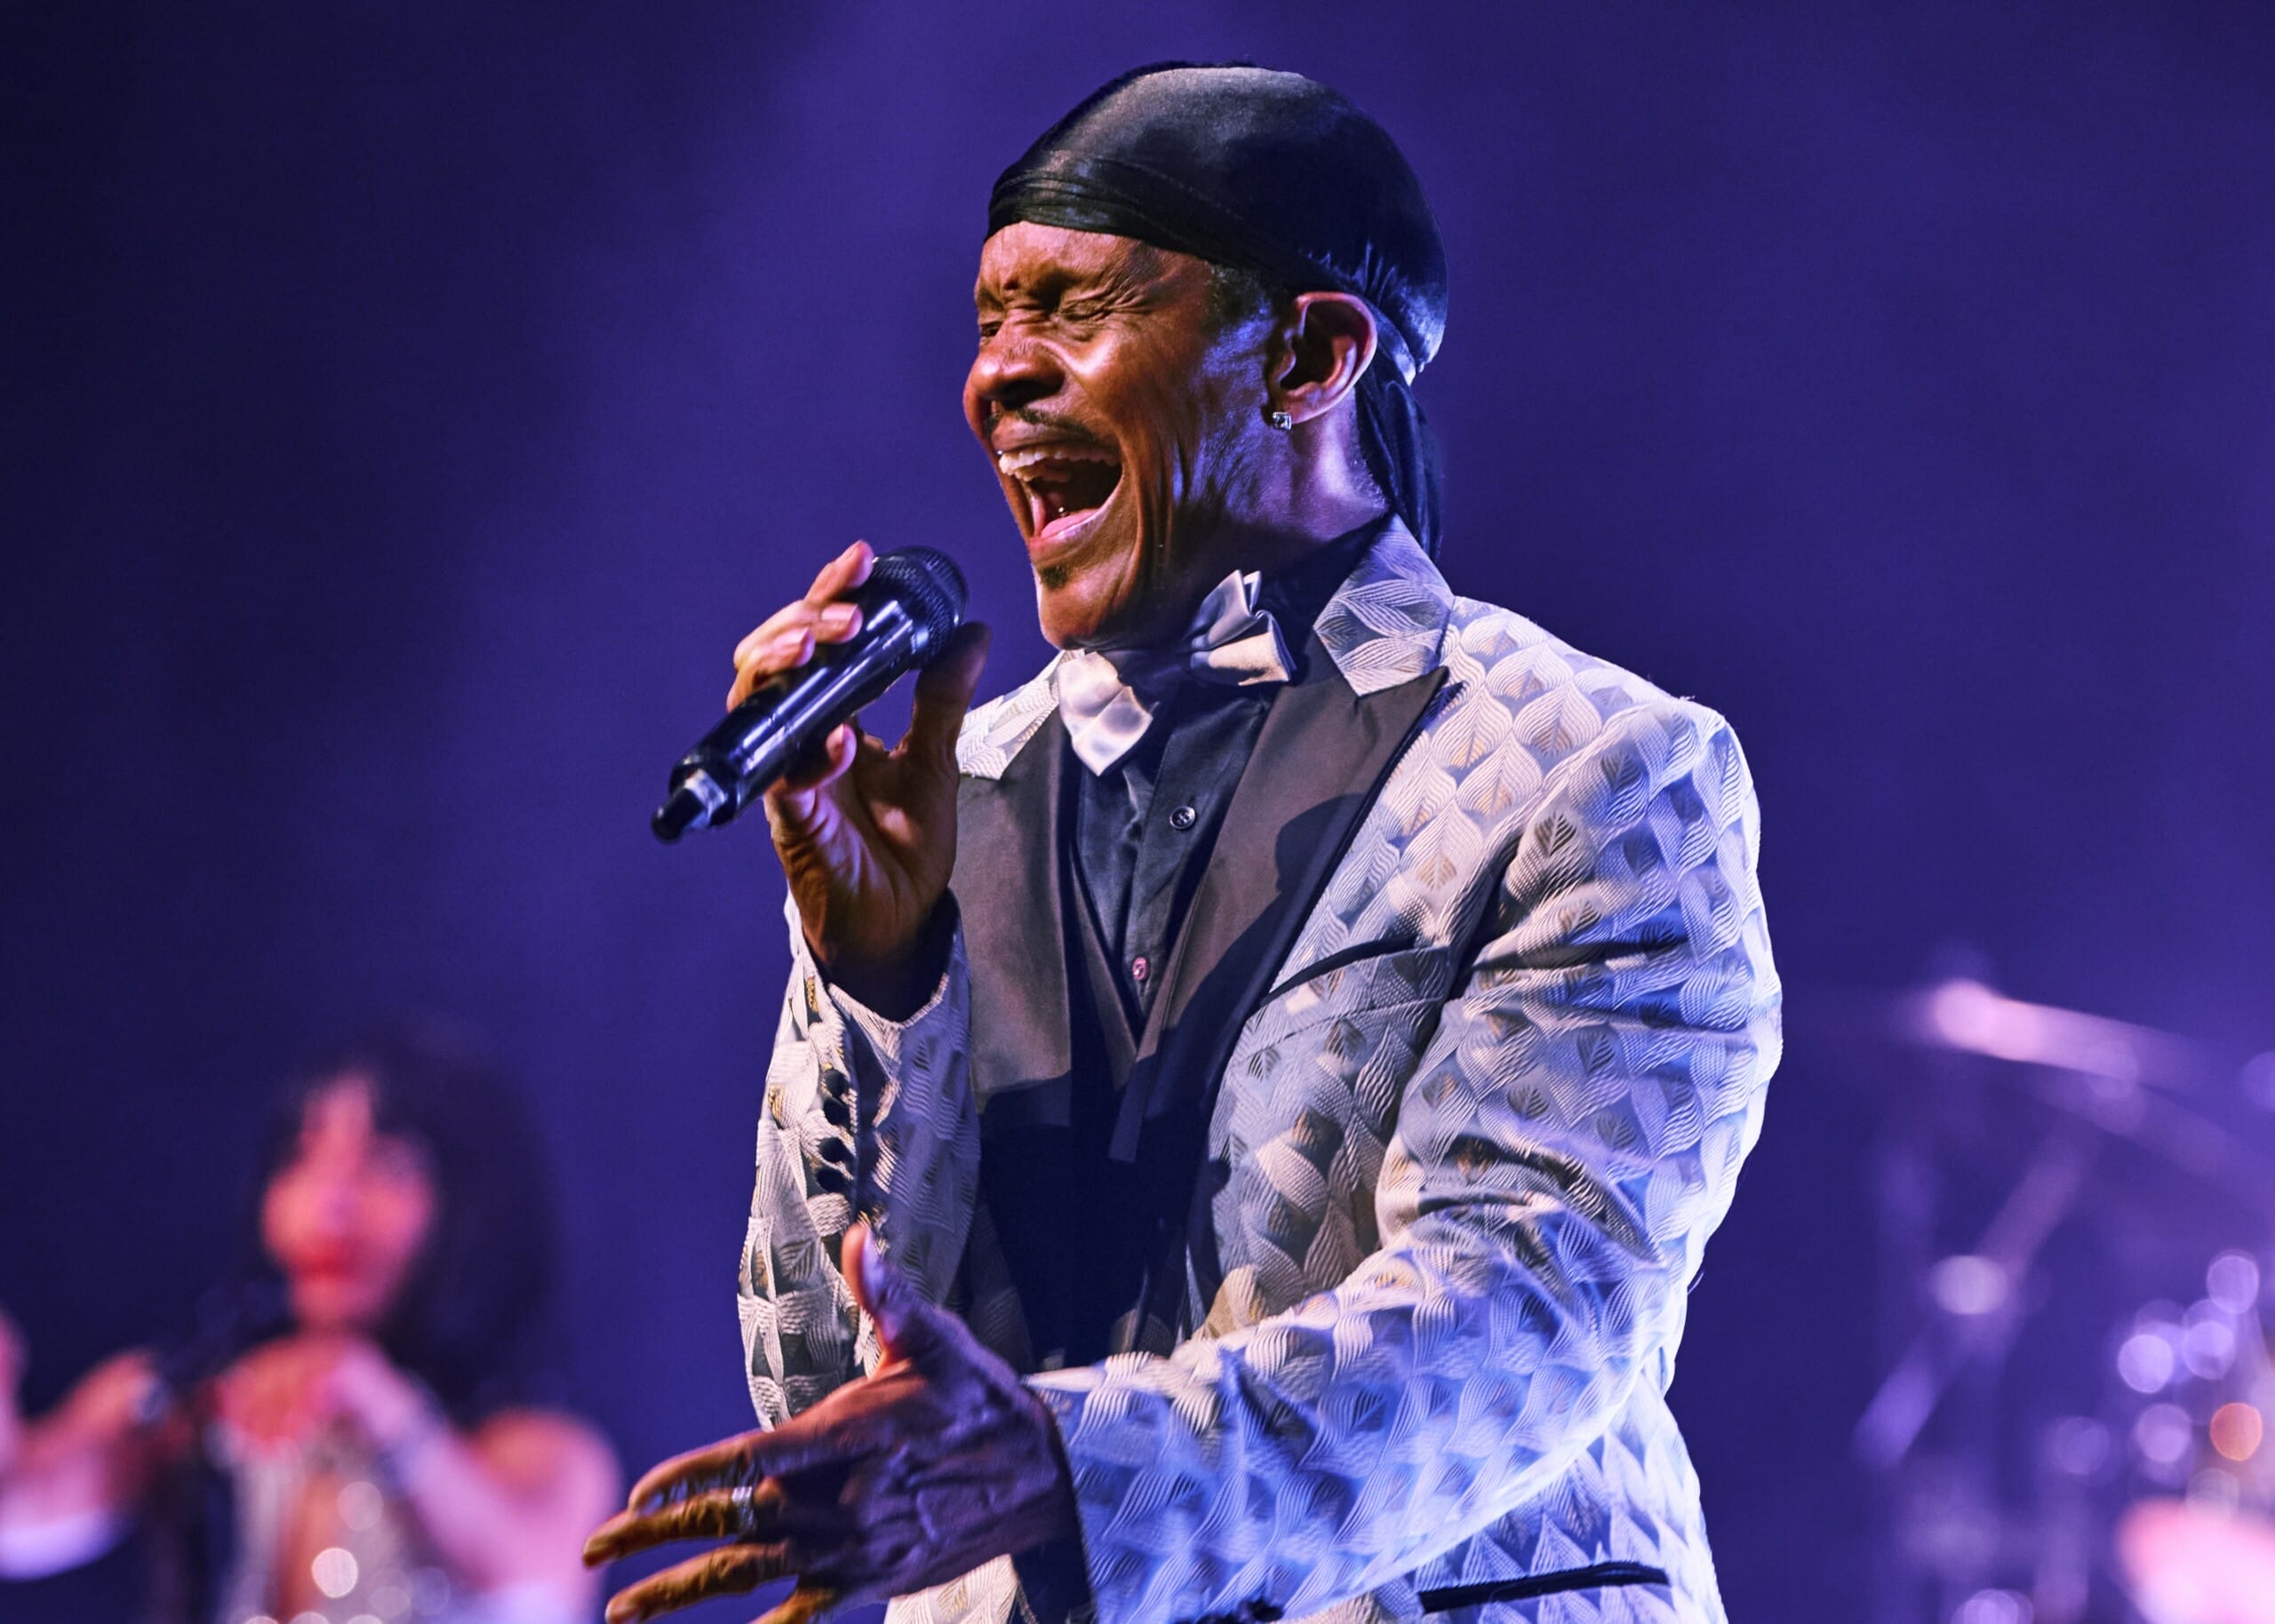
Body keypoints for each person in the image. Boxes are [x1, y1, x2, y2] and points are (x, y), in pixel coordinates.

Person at [587, 63, 1780, 1624]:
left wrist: (1067, 1468)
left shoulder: (1591, 769)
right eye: (987, 323)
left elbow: (1520, 1320)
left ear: (1307, 354)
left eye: (1071, 309)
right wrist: (876, 982)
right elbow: (824, 1385)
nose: (998, 378)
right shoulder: (962, 785)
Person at [0, 1028, 619, 1623]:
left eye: (388, 1165)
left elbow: (527, 1573)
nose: (328, 1203)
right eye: (303, 1155)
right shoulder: (201, 1402)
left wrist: (380, 1405)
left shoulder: (552, 1456)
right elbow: (21, 1508)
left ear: (473, 1210)